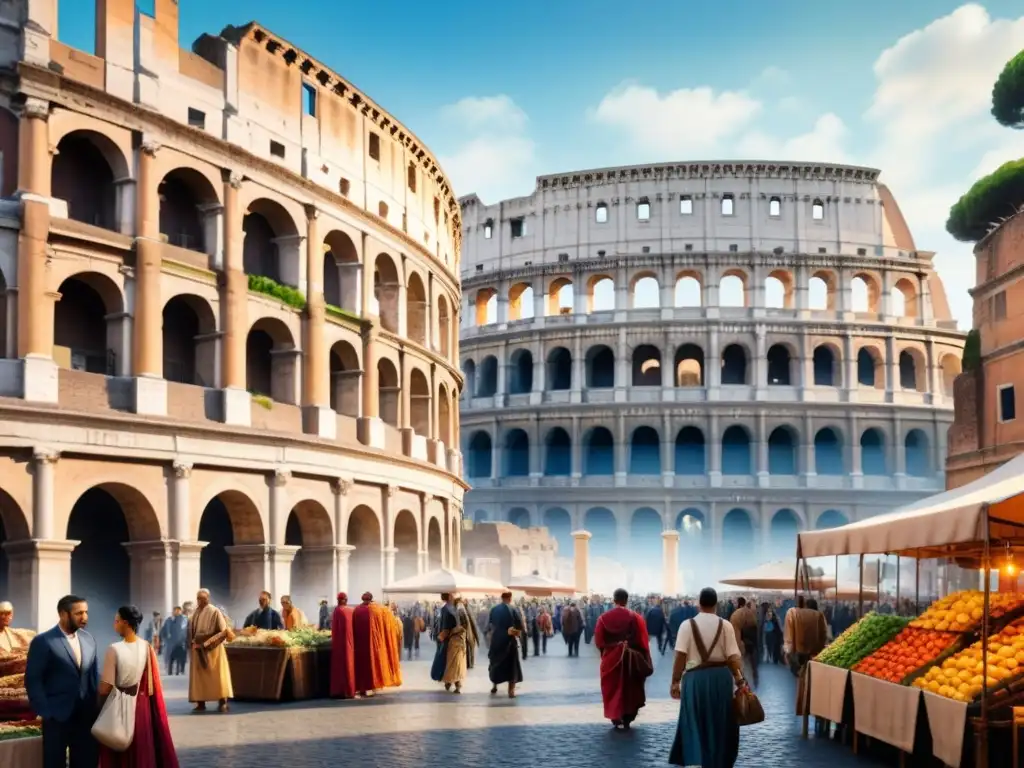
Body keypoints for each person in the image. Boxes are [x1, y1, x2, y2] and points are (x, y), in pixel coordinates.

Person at [669, 587, 749, 768]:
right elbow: (733, 659)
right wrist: (740, 681)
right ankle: (718, 760)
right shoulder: (725, 625)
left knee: (694, 720)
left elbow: (680, 656)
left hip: (694, 680)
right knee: (720, 721)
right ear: (716, 605)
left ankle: (697, 759)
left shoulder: (686, 625)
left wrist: (675, 682)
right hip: (720, 679)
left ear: (699, 603)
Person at [97, 605, 179, 768]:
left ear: (126, 623)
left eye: (117, 620)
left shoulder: (114, 649)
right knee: (142, 752)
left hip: (120, 710)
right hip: (143, 710)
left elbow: (105, 688)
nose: (114, 624)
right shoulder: (147, 648)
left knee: (122, 756)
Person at [25, 594, 100, 768]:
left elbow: (92, 677)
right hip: (56, 717)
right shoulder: (43, 641)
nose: (84, 617)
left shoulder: (89, 639)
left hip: (86, 718)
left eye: (86, 612)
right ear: (63, 614)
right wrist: (45, 711)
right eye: (79, 613)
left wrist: (97, 709)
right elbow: (33, 679)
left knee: (86, 762)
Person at [594, 588, 653, 730]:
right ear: (626, 600)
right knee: (630, 688)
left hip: (611, 659)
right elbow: (643, 641)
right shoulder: (636, 618)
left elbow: (599, 641)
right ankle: (628, 716)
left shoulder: (603, 618)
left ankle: (615, 716)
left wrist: (609, 649)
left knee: (612, 687)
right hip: (630, 658)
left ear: (614, 600)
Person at [187, 588, 233, 713]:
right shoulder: (195, 613)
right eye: (199, 598)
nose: (201, 601)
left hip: (214, 650)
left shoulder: (214, 611)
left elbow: (223, 631)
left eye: (203, 598)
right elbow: (192, 632)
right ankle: (200, 702)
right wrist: (193, 644)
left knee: (218, 676)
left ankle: (222, 702)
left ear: (208, 598)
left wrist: (206, 644)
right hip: (197, 650)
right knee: (199, 679)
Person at [352, 592, 401, 697]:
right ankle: (374, 685)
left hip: (360, 645)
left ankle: (362, 689)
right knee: (373, 664)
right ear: (371, 599)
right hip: (374, 644)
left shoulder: (356, 610)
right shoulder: (378, 609)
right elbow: (390, 621)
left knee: (362, 666)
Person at [486, 591, 524, 698]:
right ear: (510, 598)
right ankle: (511, 691)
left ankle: (494, 685)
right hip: (509, 641)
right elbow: (520, 625)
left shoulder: (494, 609)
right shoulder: (513, 609)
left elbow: (490, 624)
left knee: (495, 663)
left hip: (496, 640)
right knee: (511, 666)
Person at [431, 593, 467, 693]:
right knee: (456, 663)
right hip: (458, 640)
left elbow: (444, 628)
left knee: (451, 662)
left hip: (451, 640)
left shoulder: (446, 609)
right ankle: (454, 683)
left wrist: (440, 638)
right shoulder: (457, 609)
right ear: (450, 597)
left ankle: (451, 683)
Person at [330, 593, 356, 699]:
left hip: (339, 644)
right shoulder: (351, 610)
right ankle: (349, 690)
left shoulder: (337, 611)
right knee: (349, 665)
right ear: (346, 600)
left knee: (339, 667)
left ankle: (339, 690)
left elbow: (334, 628)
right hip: (350, 643)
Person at [730, 596, 759, 687]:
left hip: (742, 645)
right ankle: (754, 681)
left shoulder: (735, 615)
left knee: (744, 667)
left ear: (739, 603)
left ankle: (746, 687)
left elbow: (735, 634)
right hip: (751, 644)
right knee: (751, 664)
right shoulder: (751, 613)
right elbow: (755, 629)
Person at [159, 606, 189, 676]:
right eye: (175, 611)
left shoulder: (184, 619)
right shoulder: (169, 620)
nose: (177, 612)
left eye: (178, 611)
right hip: (172, 643)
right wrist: (165, 639)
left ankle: (181, 670)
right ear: (173, 611)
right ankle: (170, 670)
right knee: (171, 657)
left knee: (181, 657)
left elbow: (185, 630)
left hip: (181, 642)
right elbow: (163, 631)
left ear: (180, 611)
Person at [455, 597, 481, 669]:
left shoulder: (462, 610)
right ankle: (469, 664)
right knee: (469, 649)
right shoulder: (464, 610)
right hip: (469, 634)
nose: (464, 601)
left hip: (468, 634)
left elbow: (467, 624)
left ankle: (469, 664)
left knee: (469, 649)